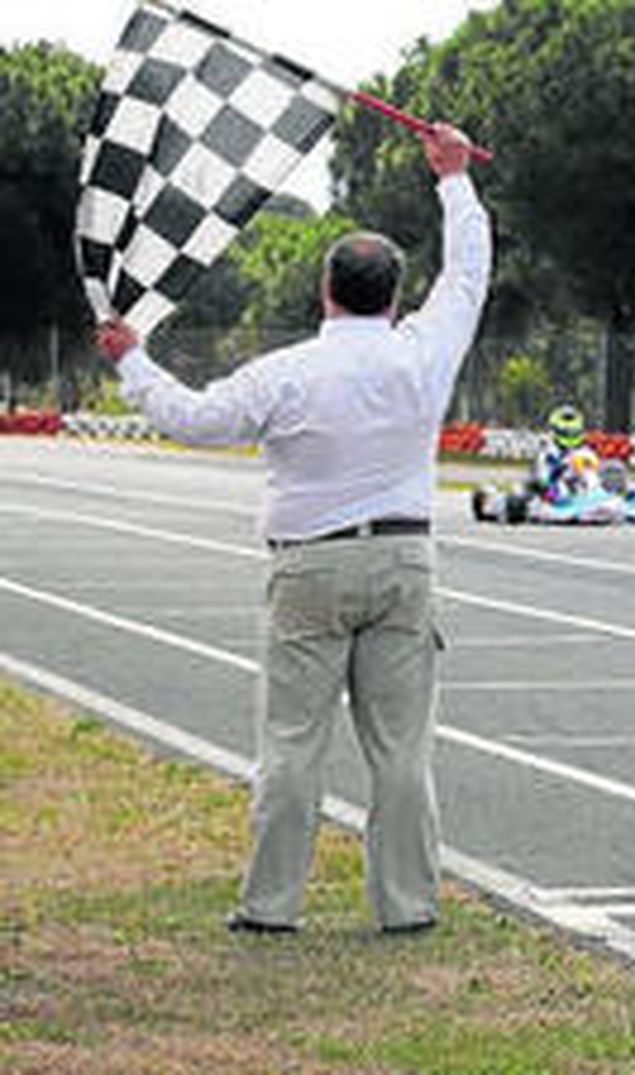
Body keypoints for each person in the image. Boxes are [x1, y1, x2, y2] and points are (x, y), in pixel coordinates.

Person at [95, 123, 491, 935]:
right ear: (393, 294)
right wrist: (453, 178)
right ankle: (409, 905)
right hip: (407, 559)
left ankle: (272, 906)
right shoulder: (423, 353)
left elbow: (195, 420)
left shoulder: (289, 373)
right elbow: (469, 276)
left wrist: (134, 361)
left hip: (308, 566)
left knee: (291, 744)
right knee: (402, 750)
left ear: (326, 291)